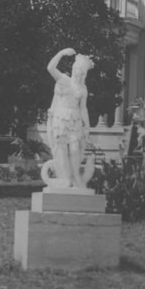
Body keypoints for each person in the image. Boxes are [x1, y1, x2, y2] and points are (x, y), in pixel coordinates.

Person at [42, 47, 95, 189]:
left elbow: (83, 108)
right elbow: (50, 68)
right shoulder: (63, 79)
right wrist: (62, 53)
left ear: (84, 73)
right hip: (61, 119)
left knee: (75, 150)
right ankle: (65, 178)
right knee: (62, 150)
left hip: (75, 120)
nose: (77, 72)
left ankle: (76, 176)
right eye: (76, 68)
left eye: (80, 70)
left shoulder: (83, 89)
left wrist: (87, 126)